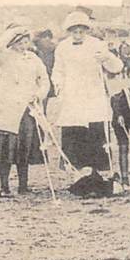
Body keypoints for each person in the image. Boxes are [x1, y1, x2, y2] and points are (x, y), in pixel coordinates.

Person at [51, 10, 122, 177]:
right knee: (74, 134)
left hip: (93, 95)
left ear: (86, 30)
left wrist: (107, 58)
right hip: (72, 96)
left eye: (81, 31)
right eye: (74, 32)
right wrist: (59, 87)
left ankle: (97, 174)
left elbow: (117, 67)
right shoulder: (62, 47)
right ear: (69, 31)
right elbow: (58, 71)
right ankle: (78, 174)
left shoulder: (97, 44)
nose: (78, 35)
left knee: (95, 133)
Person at [0, 25, 50, 197]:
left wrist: (38, 95)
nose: (23, 46)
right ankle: (4, 187)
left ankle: (23, 186)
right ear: (11, 43)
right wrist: (11, 32)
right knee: (5, 149)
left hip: (28, 109)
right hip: (8, 110)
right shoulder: (4, 57)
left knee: (25, 148)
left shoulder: (33, 58)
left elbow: (44, 80)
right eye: (18, 42)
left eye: (25, 41)